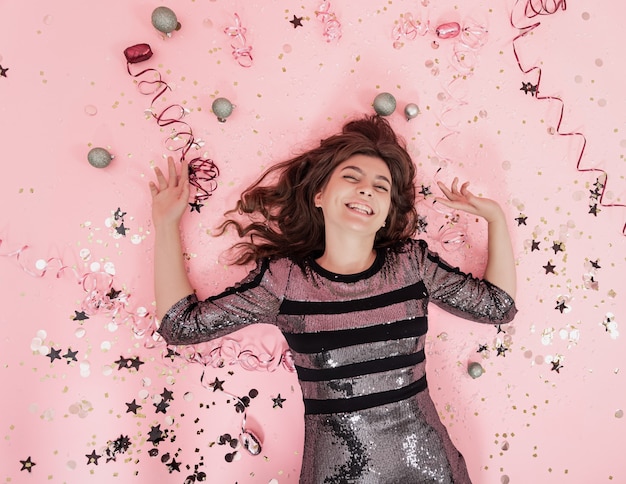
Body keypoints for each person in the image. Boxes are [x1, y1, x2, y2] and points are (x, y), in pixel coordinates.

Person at [149, 115, 517, 484]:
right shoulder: (284, 281)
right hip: (336, 474)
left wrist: (496, 219)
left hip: (430, 469)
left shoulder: (412, 265)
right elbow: (180, 325)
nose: (366, 190)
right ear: (319, 195)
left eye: (380, 186)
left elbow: (498, 306)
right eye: (352, 177)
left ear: (387, 211)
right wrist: (165, 225)